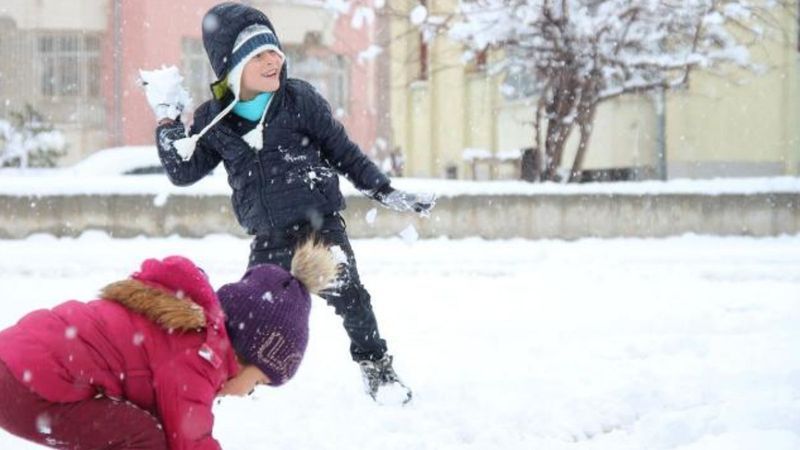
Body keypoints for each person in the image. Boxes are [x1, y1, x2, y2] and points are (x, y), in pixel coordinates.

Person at [142, 1, 434, 404]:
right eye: (258, 55)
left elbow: (343, 152)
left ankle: (377, 368)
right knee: (245, 317)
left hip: (320, 229)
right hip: (269, 237)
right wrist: (167, 121)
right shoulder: (215, 119)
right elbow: (183, 171)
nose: (272, 61)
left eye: (275, 51)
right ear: (232, 67)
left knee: (352, 299)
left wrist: (384, 190)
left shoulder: (299, 100)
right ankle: (225, 376)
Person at [0, 239, 338, 450]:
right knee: (142, 439)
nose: (249, 392)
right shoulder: (199, 356)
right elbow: (190, 441)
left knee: (136, 431)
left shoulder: (190, 333)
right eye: (260, 381)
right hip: (24, 386)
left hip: (17, 367)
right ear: (246, 351)